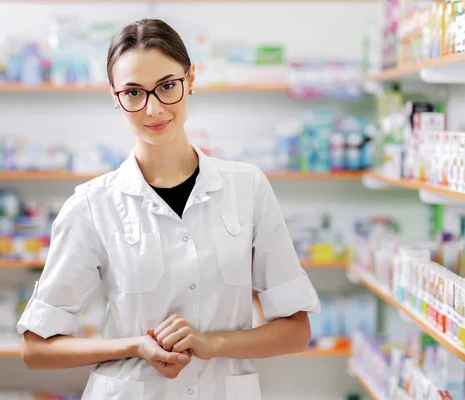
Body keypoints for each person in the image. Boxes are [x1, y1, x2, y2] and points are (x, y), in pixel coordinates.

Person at [17, 18, 320, 400]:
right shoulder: (92, 205)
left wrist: (214, 343)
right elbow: (36, 348)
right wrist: (134, 346)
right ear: (114, 96)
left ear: (190, 79)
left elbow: (296, 331)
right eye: (133, 93)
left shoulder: (247, 187)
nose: (153, 108)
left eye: (167, 86)